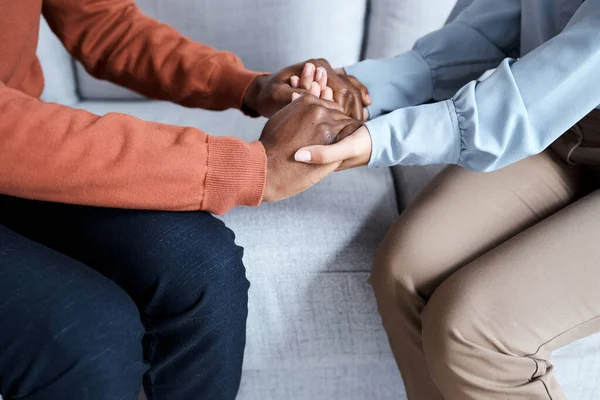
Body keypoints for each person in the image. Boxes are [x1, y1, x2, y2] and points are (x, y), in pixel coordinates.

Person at [0, 0, 370, 399]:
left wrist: (248, 86)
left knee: (202, 267)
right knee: (92, 340)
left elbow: (102, 22)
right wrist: (243, 169)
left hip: (28, 161)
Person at [295, 0, 600, 399]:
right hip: (562, 135)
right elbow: (495, 30)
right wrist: (358, 90)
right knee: (405, 270)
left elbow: (551, 87)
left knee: (472, 330)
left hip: (539, 110)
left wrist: (383, 139)